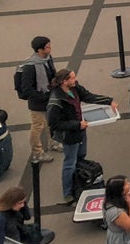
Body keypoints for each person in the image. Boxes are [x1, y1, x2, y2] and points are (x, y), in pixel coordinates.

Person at [46, 69, 115, 204]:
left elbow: (89, 96)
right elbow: (54, 124)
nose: (75, 80)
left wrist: (109, 101)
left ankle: (79, 181)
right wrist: (77, 125)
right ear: (64, 82)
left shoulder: (75, 88)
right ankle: (67, 192)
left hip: (80, 130)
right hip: (70, 135)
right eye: (72, 78)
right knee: (69, 163)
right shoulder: (56, 101)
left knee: (81, 156)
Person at [18, 35, 60, 165]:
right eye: (48, 46)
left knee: (50, 122)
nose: (50, 48)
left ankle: (53, 142)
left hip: (49, 97)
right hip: (37, 102)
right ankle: (37, 152)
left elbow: (53, 74)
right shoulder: (30, 67)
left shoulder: (48, 59)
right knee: (37, 126)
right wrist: (42, 97)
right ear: (40, 50)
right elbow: (27, 89)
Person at [102, 176, 130, 244]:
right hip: (123, 242)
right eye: (126, 184)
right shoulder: (116, 212)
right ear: (120, 190)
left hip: (118, 236)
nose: (129, 184)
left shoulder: (110, 199)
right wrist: (129, 204)